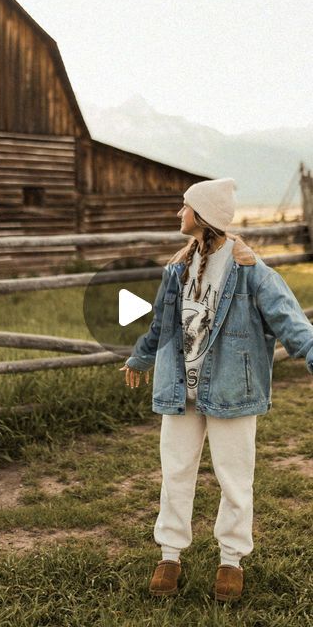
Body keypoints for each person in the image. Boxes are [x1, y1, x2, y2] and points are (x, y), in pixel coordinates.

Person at [119, 177, 313, 602]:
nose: (178, 213)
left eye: (184, 206)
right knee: (175, 472)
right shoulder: (177, 268)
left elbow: (289, 319)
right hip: (179, 392)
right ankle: (170, 555)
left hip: (232, 392)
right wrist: (140, 356)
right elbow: (161, 325)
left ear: (202, 216)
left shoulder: (250, 269)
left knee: (234, 479)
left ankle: (231, 561)